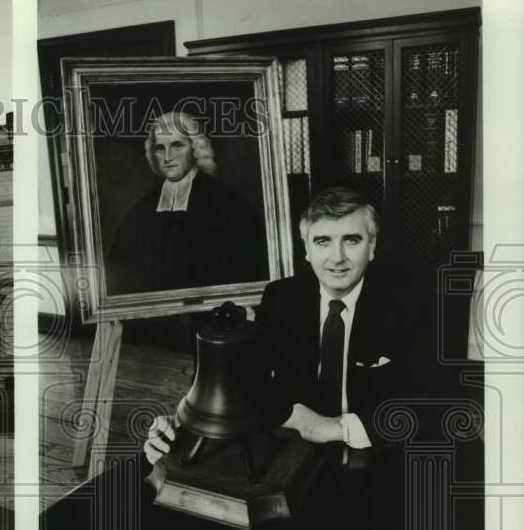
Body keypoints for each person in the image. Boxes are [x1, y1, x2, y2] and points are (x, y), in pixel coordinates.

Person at [145, 186, 420, 462]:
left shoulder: (410, 304)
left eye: (351, 240)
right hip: (291, 454)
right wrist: (182, 421)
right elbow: (240, 376)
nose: (337, 257)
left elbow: (433, 402)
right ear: (307, 250)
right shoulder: (282, 297)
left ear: (371, 247)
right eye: (323, 241)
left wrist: (332, 428)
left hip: (376, 459)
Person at [104, 111, 269, 296]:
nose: (167, 157)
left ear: (195, 148)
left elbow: (250, 268)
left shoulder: (229, 205)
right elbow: (119, 276)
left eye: (177, 146)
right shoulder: (139, 213)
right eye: (160, 148)